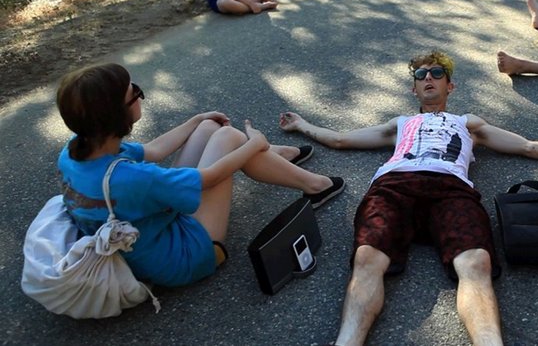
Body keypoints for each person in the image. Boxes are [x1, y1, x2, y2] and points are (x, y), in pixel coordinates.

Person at [278, 51, 538, 345]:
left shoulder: (468, 123)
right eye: (421, 75)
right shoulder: (401, 123)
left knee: (476, 262)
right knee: (368, 258)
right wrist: (303, 125)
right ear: (414, 88)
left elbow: (529, 147)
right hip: (394, 186)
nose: (429, 78)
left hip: (451, 190)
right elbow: (340, 140)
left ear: (449, 86)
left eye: (437, 73)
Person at [55, 63, 345, 288]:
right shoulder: (132, 178)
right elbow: (210, 177)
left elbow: (154, 150)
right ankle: (311, 182)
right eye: (137, 93)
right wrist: (255, 143)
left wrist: (196, 121)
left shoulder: (76, 151)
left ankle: (274, 156)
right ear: (118, 115)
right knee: (230, 137)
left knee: (208, 129)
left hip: (147, 233)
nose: (141, 95)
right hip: (184, 256)